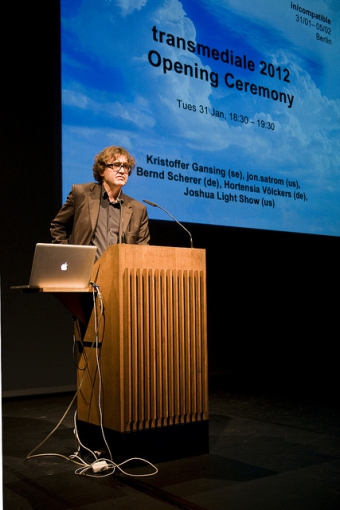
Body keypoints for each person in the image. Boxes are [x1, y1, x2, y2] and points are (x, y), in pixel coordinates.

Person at [50, 145, 150, 258]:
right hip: (84, 272)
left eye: (126, 166)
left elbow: (143, 250)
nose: (122, 171)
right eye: (116, 165)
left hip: (119, 274)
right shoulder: (81, 194)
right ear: (102, 170)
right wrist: (68, 256)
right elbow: (58, 226)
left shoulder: (138, 210)